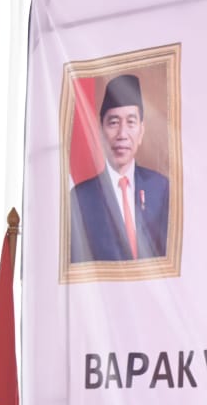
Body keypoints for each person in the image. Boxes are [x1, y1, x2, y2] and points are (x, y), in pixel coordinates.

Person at [69, 73, 171, 263]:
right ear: (100, 131)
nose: (122, 134)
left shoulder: (161, 188)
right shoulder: (80, 198)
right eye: (114, 123)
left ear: (141, 131)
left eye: (131, 122)